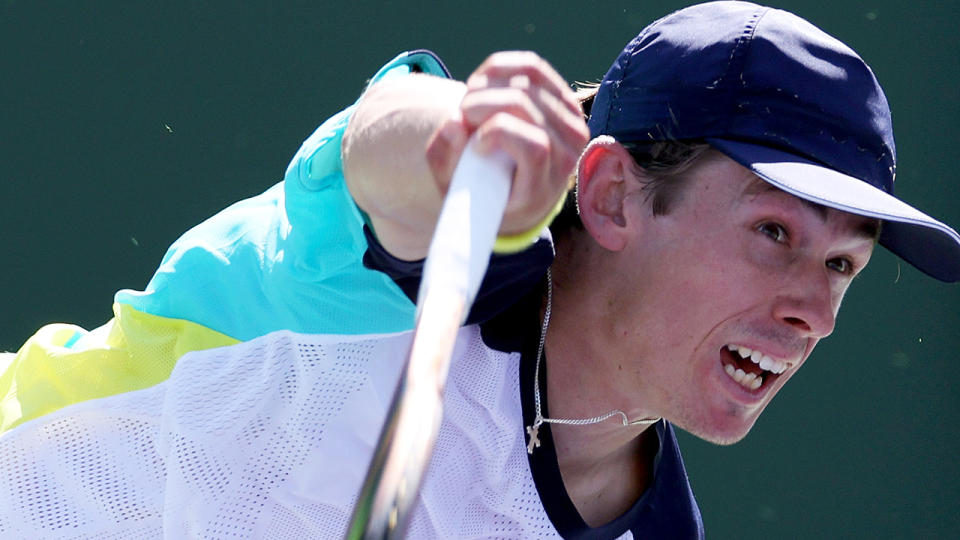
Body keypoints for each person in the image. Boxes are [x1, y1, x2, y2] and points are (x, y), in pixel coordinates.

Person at [1, 1, 958, 538]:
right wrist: (462, 139)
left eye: (842, 265)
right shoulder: (409, 269)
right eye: (775, 235)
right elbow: (386, 148)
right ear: (615, 194)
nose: (813, 314)